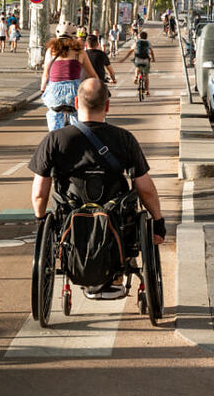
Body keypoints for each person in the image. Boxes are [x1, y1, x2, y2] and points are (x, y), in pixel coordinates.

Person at [29, 78, 166, 299]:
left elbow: (39, 193)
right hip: (117, 219)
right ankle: (117, 272)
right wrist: (158, 222)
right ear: (107, 105)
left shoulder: (54, 140)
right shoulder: (125, 139)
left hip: (70, 220)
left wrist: (40, 220)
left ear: (76, 102)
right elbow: (146, 189)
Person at [40, 21, 98, 131]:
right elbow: (92, 75)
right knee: (79, 122)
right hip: (74, 92)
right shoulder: (79, 52)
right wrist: (101, 88)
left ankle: (55, 138)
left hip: (54, 93)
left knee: (54, 118)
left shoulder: (50, 51)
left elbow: (46, 74)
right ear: (74, 35)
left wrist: (43, 89)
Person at [121, 30, 156, 95]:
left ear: (140, 36)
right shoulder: (148, 43)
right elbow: (152, 52)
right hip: (146, 59)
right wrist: (153, 59)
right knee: (146, 76)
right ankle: (147, 91)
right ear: (146, 37)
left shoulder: (137, 42)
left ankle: (136, 77)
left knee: (137, 67)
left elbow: (131, 50)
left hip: (138, 59)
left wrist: (124, 59)